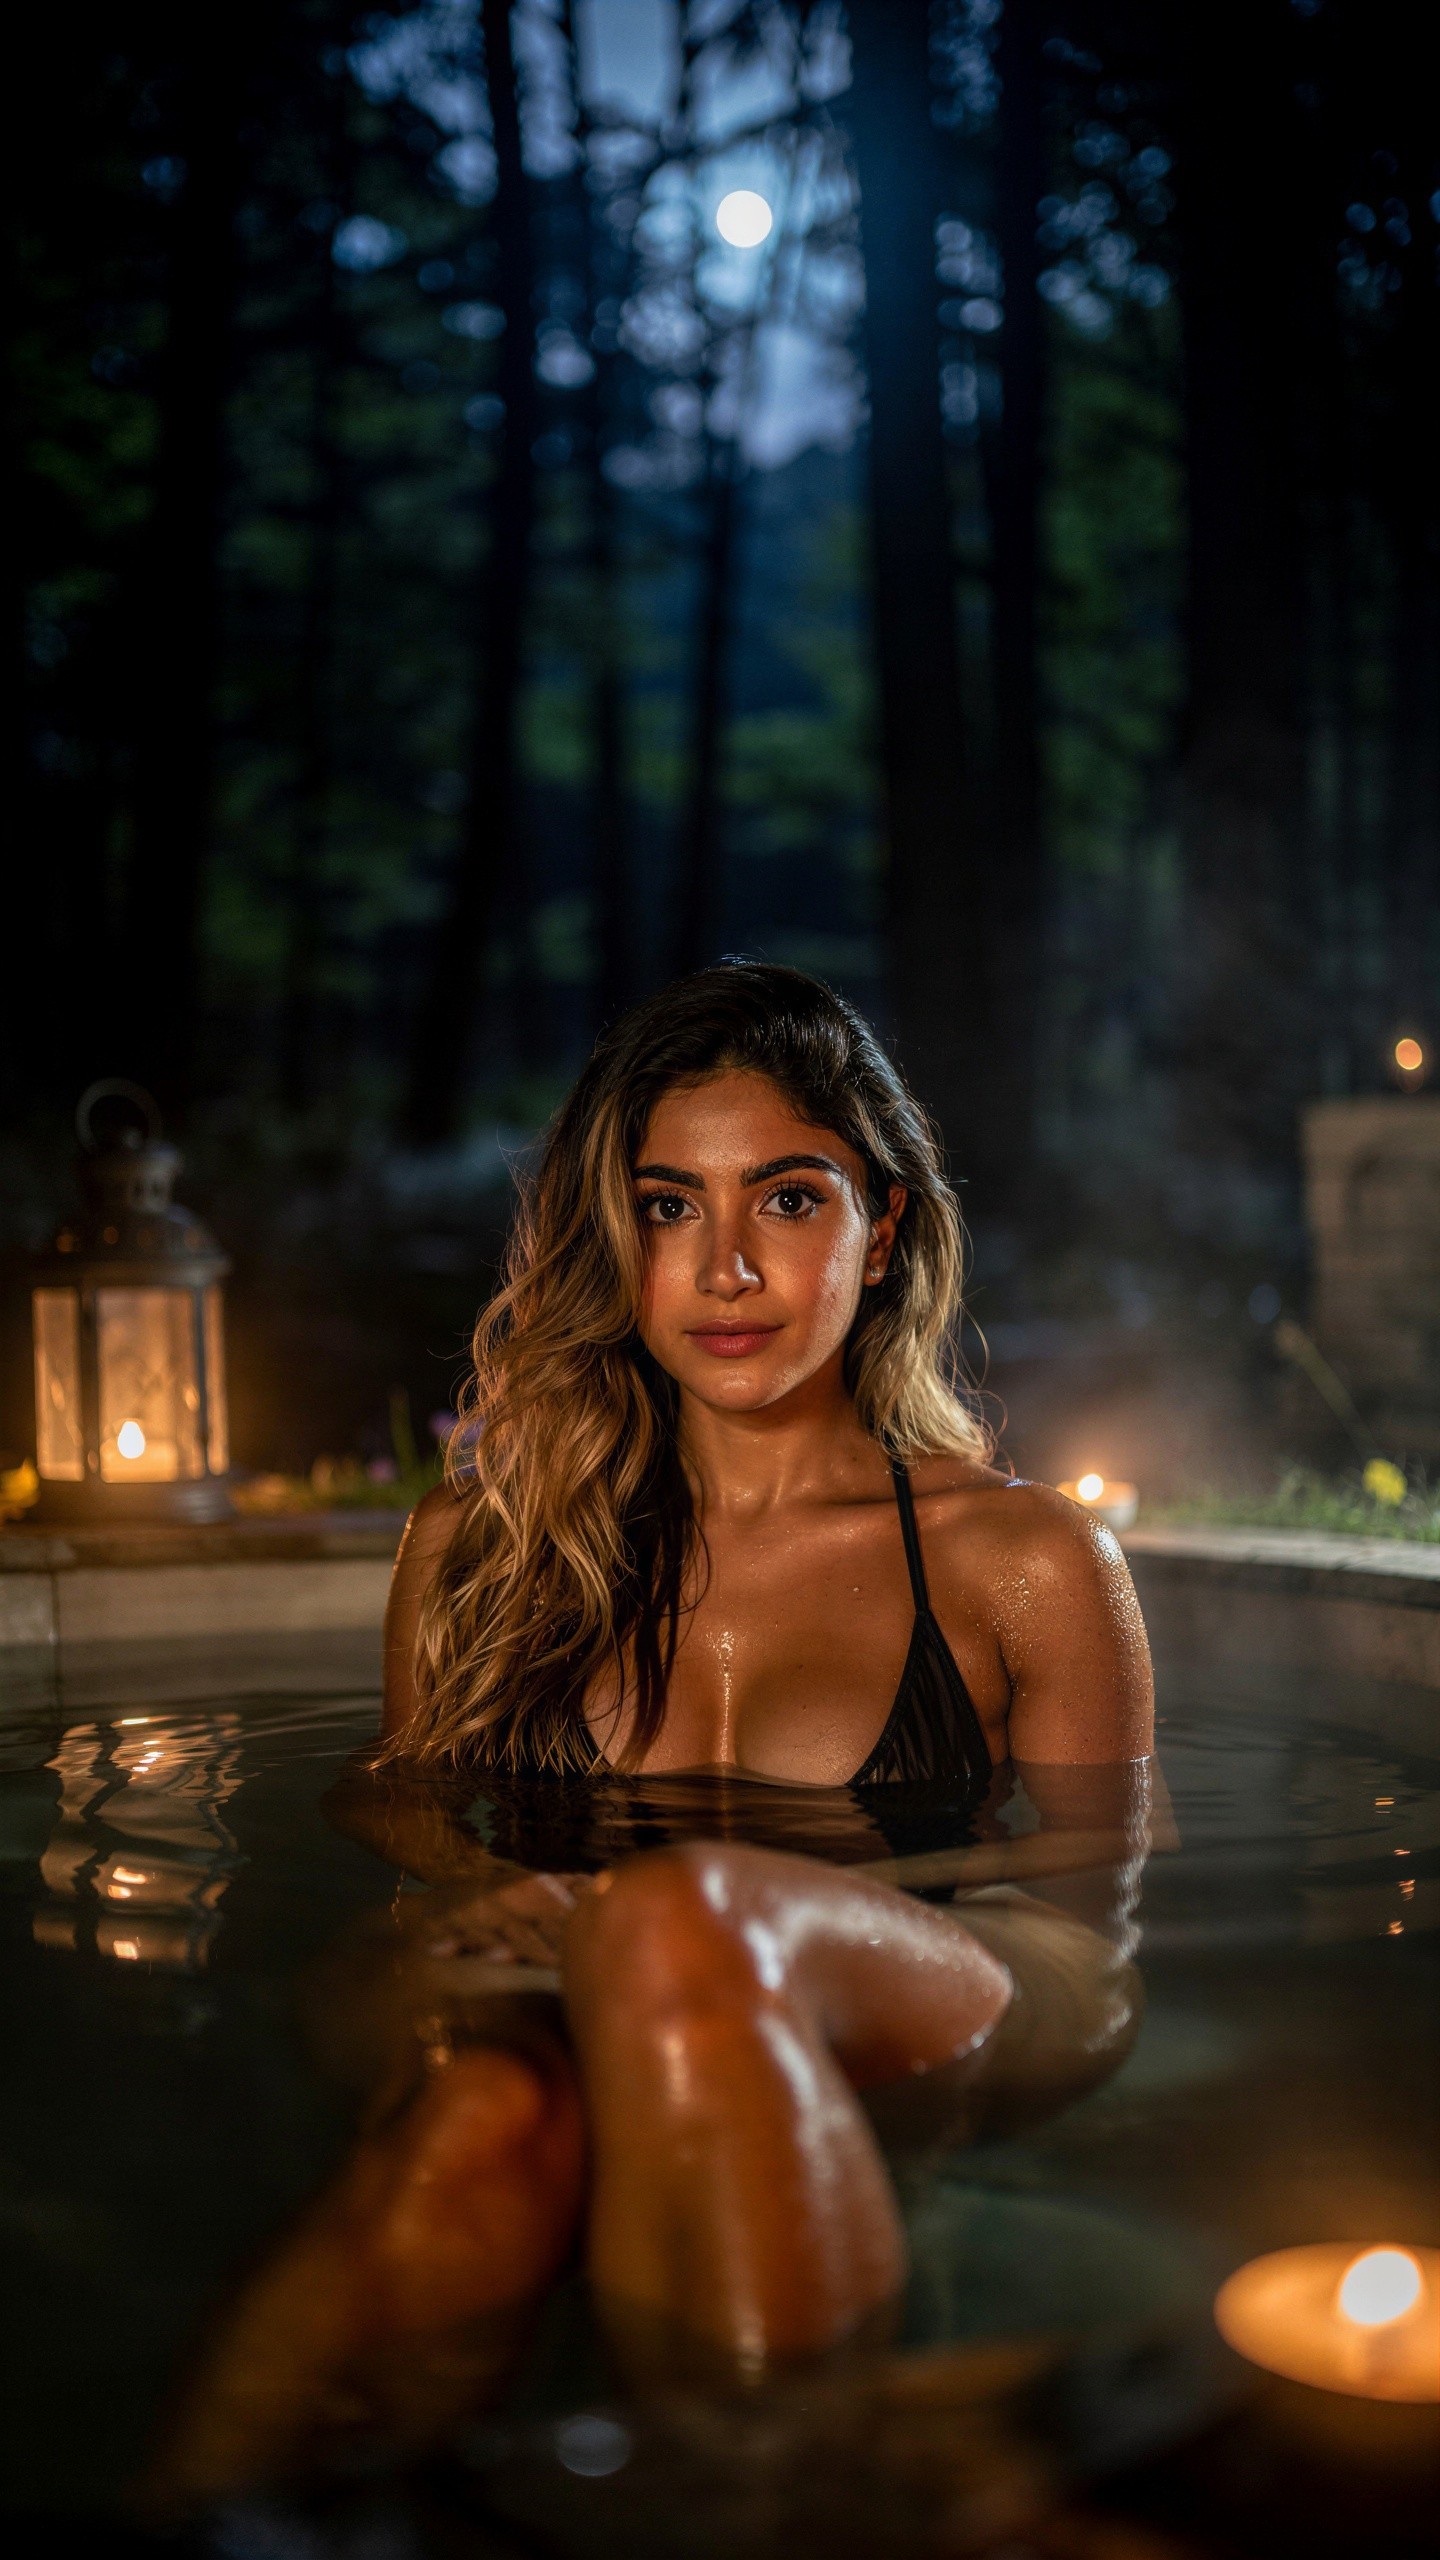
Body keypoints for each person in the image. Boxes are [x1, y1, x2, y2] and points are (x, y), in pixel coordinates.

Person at [152, 964, 1152, 2504]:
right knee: (488, 2113)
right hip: (516, 1959)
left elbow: (1091, 1913)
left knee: (686, 1922)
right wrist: (505, 1919)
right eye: (670, 1206)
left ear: (883, 1232)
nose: (727, 1265)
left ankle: (784, 2514)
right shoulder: (484, 1542)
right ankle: (212, 2520)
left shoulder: (1019, 1563)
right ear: (615, 1241)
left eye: (790, 1200)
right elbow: (403, 1826)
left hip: (944, 1982)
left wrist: (724, 1924)